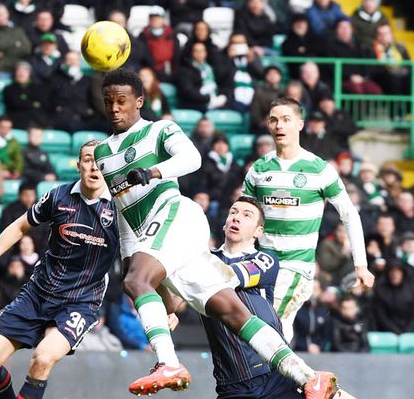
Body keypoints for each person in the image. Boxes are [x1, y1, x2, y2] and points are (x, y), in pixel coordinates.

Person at [93, 69, 336, 397]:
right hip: (153, 239)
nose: (115, 108)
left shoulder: (159, 129)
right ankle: (308, 376)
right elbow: (124, 216)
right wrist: (131, 261)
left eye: (122, 101)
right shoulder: (103, 153)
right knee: (231, 311)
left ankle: (168, 363)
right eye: (109, 102)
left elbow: (191, 158)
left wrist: (153, 172)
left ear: (139, 101)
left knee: (137, 281)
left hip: (176, 215)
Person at [0, 140, 119, 399]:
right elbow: (19, 227)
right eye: (87, 160)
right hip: (37, 294)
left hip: (79, 302)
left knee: (42, 358)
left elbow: (143, 256)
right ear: (78, 165)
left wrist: (166, 305)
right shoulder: (58, 197)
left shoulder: (121, 210)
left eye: (100, 161)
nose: (94, 166)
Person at [242, 97, 375, 343]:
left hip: (296, 266)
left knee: (268, 327)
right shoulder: (259, 169)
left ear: (300, 124)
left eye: (286, 120)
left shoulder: (319, 169)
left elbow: (349, 214)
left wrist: (361, 265)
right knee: (272, 327)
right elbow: (245, 215)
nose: (279, 126)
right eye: (273, 120)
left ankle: (277, 379)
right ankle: (289, 380)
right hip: (262, 263)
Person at [165, 196, 303, 399]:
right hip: (232, 384)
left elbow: (229, 276)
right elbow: (174, 301)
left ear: (259, 231)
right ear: (225, 224)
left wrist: (189, 262)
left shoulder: (265, 260)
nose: (237, 218)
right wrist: (167, 303)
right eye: (233, 212)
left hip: (274, 376)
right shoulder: (203, 260)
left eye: (247, 216)